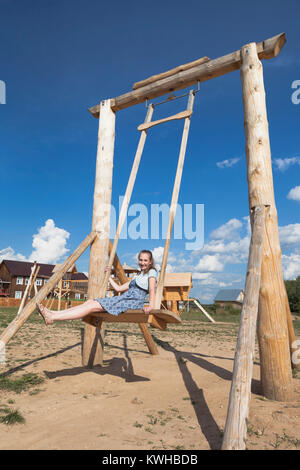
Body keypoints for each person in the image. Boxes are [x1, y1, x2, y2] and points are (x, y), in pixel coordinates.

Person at [37, 250, 157, 325]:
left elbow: (152, 289)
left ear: (150, 262)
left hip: (132, 302)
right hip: (124, 299)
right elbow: (119, 289)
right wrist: (109, 276)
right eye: (141, 260)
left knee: (91, 306)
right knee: (90, 302)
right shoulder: (138, 276)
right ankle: (52, 313)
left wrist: (150, 306)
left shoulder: (152, 273)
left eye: (145, 260)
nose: (142, 262)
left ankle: (53, 317)